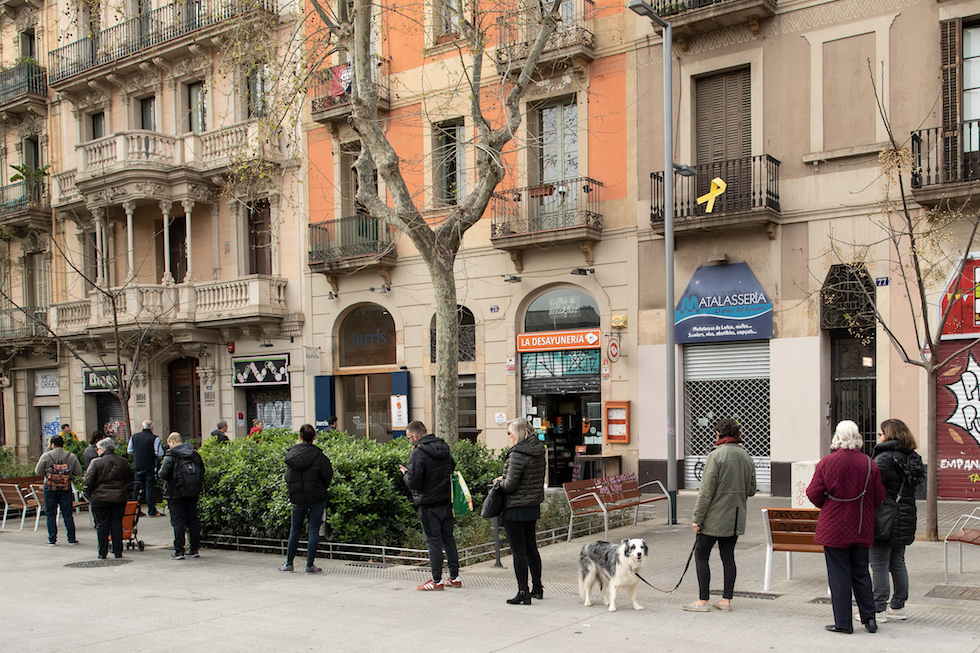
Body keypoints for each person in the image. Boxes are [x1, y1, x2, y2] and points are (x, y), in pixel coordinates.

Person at [807, 420, 885, 634]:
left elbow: (813, 493)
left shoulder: (827, 462)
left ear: (837, 437)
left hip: (833, 527)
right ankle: (870, 619)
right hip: (862, 525)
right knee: (861, 572)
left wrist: (830, 501)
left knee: (839, 575)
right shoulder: (870, 464)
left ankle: (843, 622)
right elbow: (879, 497)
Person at [683, 418, 757, 613]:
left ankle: (703, 601)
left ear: (719, 434)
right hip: (734, 519)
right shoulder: (746, 457)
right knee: (728, 556)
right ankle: (726, 601)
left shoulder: (716, 456)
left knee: (701, 554)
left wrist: (697, 518)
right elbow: (751, 490)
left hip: (713, 518)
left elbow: (706, 491)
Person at [870, 419, 925, 623]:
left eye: (881, 433)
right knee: (898, 562)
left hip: (884, 518)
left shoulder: (884, 458)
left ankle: (878, 609)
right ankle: (899, 606)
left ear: (889, 434)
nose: (880, 437)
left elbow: (871, 485)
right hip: (905, 517)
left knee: (879, 563)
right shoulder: (913, 458)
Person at [399, 420, 460, 591]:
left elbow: (414, 482)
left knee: (433, 541)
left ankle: (436, 580)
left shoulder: (418, 453)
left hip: (427, 503)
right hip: (445, 501)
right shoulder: (444, 447)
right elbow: (452, 467)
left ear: (415, 436)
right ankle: (454, 577)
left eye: (409, 438)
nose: (409, 441)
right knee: (448, 538)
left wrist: (405, 474)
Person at [497, 418, 546, 605]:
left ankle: (523, 591)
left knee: (518, 551)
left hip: (515, 507)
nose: (508, 437)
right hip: (532, 505)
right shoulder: (538, 450)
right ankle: (537, 587)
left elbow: (510, 485)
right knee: (531, 547)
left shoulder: (517, 453)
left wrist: (499, 482)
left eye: (509, 433)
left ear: (517, 434)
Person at [280, 424, 334, 573]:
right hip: (317, 497)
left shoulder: (292, 456)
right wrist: (322, 487)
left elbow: (288, 477)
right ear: (314, 438)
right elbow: (328, 475)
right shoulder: (320, 456)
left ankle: (289, 564)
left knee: (295, 530)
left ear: (299, 437)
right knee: (314, 530)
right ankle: (310, 565)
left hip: (297, 499)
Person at [83, 437, 134, 559]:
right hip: (119, 497)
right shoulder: (123, 462)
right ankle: (118, 551)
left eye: (98, 449)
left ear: (102, 449)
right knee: (116, 523)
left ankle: (102, 552)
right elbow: (130, 479)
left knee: (102, 525)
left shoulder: (96, 462)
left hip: (99, 498)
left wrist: (89, 494)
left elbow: (88, 481)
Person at [158, 432, 206, 560]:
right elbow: (202, 470)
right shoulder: (194, 454)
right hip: (192, 492)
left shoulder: (171, 455)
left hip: (175, 493)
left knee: (178, 522)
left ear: (172, 442)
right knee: (192, 520)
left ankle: (179, 551)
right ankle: (194, 549)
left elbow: (163, 474)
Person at [34, 435, 84, 546]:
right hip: (66, 488)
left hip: (50, 487)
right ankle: (71, 539)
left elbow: (38, 471)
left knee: (50, 514)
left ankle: (52, 539)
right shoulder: (71, 456)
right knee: (67, 514)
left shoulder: (46, 456)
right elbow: (78, 471)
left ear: (52, 444)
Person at [128, 420, 164, 516]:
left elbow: (129, 450)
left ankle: (135, 510)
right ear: (152, 427)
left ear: (142, 426)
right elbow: (159, 453)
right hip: (149, 466)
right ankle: (151, 510)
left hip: (138, 465)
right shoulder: (154, 438)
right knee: (149, 488)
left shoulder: (134, 437)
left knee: (136, 488)